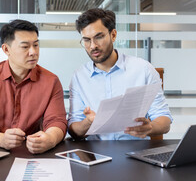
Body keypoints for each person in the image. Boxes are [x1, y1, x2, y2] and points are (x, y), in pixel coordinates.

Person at [68, 8, 172, 140]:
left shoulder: (143, 69)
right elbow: (74, 129)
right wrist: (88, 122)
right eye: (86, 40)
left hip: (135, 152)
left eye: (98, 37)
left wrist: (150, 127)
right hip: (96, 155)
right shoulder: (79, 77)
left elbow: (164, 120)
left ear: (113, 35)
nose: (93, 46)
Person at [0, 20, 67, 154]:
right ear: (6, 49)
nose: (33, 52)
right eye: (25, 47)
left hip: (32, 153)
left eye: (36, 45)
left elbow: (57, 121)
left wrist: (51, 138)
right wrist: (1, 140)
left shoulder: (51, 81)